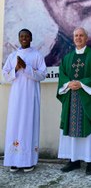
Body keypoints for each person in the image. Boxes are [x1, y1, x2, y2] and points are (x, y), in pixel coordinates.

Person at [56, 27, 91, 175]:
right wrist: (68, 83)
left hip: (89, 99)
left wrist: (81, 83)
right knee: (71, 130)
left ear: (86, 38)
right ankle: (73, 160)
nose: (78, 38)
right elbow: (62, 74)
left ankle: (90, 161)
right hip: (71, 99)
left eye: (81, 35)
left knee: (90, 131)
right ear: (73, 38)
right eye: (76, 36)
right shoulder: (67, 58)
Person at [3, 29, 47, 172]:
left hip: (31, 97)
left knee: (29, 125)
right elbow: (5, 75)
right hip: (16, 97)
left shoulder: (37, 55)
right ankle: (14, 160)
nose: (24, 38)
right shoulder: (12, 56)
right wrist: (16, 68)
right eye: (22, 36)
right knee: (14, 125)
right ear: (18, 38)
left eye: (27, 36)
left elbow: (42, 75)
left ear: (31, 38)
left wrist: (26, 67)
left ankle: (28, 161)